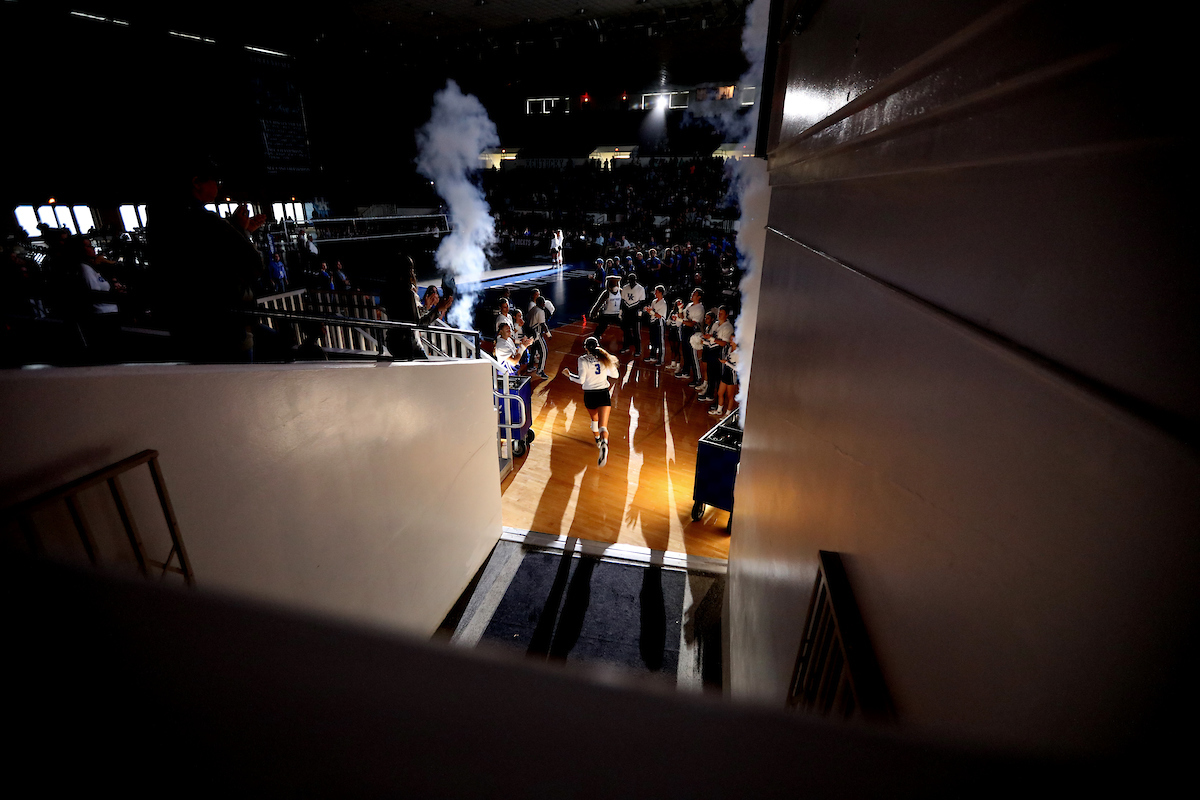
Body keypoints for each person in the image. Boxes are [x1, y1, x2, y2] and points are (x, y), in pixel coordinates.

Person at [562, 336, 619, 467]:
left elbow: (581, 380)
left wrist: (569, 375)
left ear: (586, 348)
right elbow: (615, 375)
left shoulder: (582, 359)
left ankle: (598, 440)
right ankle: (604, 442)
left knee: (594, 419)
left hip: (590, 395)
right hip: (603, 393)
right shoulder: (604, 358)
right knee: (603, 425)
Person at [588, 275, 624, 350]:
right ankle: (594, 340)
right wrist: (593, 313)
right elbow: (598, 304)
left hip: (617, 314)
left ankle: (628, 340)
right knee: (600, 328)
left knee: (625, 326)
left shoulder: (621, 292)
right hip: (606, 314)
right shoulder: (606, 293)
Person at [710, 333, 739, 417]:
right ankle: (719, 410)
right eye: (730, 339)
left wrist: (726, 362)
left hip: (732, 375)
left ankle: (727, 414)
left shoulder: (739, 353)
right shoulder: (729, 349)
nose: (730, 341)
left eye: (732, 339)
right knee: (720, 392)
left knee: (730, 395)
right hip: (725, 373)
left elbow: (737, 368)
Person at [526, 295, 552, 379]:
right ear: (542, 303)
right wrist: (548, 334)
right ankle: (540, 371)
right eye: (543, 303)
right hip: (537, 334)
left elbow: (527, 318)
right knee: (544, 352)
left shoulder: (533, 309)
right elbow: (542, 324)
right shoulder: (540, 311)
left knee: (533, 351)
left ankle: (530, 366)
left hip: (531, 333)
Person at [620, 272, 646, 356]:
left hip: (635, 310)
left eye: (632, 280)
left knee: (636, 332)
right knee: (626, 331)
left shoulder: (640, 288)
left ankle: (638, 350)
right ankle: (625, 346)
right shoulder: (625, 287)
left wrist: (640, 312)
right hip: (626, 311)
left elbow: (642, 302)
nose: (631, 282)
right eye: (630, 280)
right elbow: (623, 300)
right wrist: (621, 311)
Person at [643, 284, 668, 365]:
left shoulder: (663, 303)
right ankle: (652, 356)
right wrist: (648, 310)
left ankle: (661, 359)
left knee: (660, 342)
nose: (655, 293)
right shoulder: (654, 301)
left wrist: (651, 311)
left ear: (661, 293)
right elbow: (652, 311)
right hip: (653, 322)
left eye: (656, 292)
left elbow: (659, 315)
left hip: (659, 323)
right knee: (652, 340)